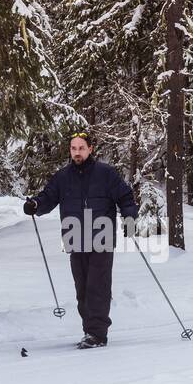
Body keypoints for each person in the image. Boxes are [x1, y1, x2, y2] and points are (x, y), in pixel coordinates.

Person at [24, 131, 138, 348]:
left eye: (81, 148)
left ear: (90, 149)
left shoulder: (106, 174)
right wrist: (35, 206)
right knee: (82, 289)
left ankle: (97, 334)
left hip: (101, 236)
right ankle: (90, 331)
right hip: (75, 237)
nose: (77, 152)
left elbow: (125, 197)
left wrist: (129, 217)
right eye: (73, 148)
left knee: (98, 287)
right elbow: (48, 197)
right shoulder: (62, 177)